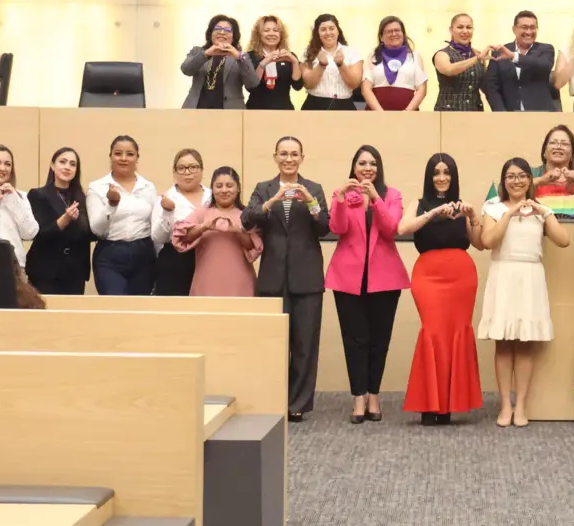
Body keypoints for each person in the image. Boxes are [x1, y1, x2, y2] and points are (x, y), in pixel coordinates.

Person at [242, 136, 330, 422]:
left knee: (305, 345)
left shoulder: (313, 188)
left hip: (307, 276)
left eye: (294, 154)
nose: (289, 159)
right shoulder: (263, 189)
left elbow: (326, 227)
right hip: (272, 277)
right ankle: (272, 399)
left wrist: (312, 203)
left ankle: (297, 404)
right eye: (283, 154)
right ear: (275, 157)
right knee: (274, 344)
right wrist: (273, 201)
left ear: (302, 157)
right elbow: (247, 218)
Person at [479, 157, 570, 428]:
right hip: (503, 275)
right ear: (503, 181)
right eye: (510, 176)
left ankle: (522, 406)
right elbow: (487, 241)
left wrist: (543, 212)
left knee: (526, 344)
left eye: (522, 176)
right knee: (504, 343)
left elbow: (564, 240)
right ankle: (505, 405)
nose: (516, 181)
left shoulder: (541, 209)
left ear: (530, 180)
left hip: (530, 277)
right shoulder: (493, 207)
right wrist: (510, 213)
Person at [400, 153, 485, 425]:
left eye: (446, 172)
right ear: (429, 176)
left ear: (453, 176)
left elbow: (479, 243)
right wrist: (435, 212)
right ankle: (428, 403)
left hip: (461, 275)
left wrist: (472, 217)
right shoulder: (420, 203)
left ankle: (447, 404)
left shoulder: (462, 205)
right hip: (428, 275)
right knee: (433, 333)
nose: (441, 177)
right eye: (436, 172)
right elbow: (403, 227)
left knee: (455, 335)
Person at [327, 145, 410, 424]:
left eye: (372, 163)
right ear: (353, 167)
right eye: (361, 163)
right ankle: (358, 397)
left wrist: (375, 198)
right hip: (347, 277)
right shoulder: (341, 195)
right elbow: (337, 229)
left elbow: (391, 229)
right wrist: (339, 199)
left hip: (385, 277)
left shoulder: (392, 195)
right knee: (355, 340)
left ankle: (374, 394)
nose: (367, 168)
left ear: (379, 168)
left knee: (379, 340)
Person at [172, 167, 261, 297]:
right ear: (212, 189)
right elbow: (182, 238)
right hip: (206, 280)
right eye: (219, 186)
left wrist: (237, 231)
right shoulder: (201, 213)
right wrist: (204, 227)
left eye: (229, 186)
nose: (224, 190)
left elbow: (254, 247)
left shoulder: (247, 216)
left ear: (238, 188)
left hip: (240, 281)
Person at [86, 135, 157, 295]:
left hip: (143, 255)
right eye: (118, 153)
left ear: (137, 158)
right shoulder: (97, 187)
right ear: (110, 156)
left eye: (130, 154)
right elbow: (97, 230)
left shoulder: (148, 187)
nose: (124, 158)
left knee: (139, 310)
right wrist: (111, 205)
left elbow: (154, 226)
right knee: (114, 307)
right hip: (110, 255)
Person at [483, 124, 574, 219]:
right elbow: (502, 192)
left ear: (572, 153)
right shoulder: (531, 173)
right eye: (553, 143)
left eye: (564, 144)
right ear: (544, 151)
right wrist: (541, 180)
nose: (558, 147)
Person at [26, 147, 95, 295]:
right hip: (46, 270)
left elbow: (90, 233)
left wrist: (77, 221)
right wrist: (65, 219)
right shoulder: (38, 195)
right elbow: (39, 232)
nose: (67, 167)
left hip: (75, 271)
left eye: (72, 164)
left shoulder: (82, 198)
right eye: (62, 162)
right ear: (53, 166)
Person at [150, 149, 210, 296]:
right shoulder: (165, 199)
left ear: (202, 170)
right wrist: (167, 213)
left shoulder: (213, 196)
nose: (187, 172)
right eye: (181, 168)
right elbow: (157, 238)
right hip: (176, 262)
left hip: (210, 258)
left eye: (193, 167)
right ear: (174, 172)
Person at [483, 10, 559, 112]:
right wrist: (500, 112)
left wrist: (514, 56)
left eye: (532, 28)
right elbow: (491, 87)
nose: (528, 32)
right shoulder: (499, 52)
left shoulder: (546, 49)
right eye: (524, 27)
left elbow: (544, 65)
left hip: (541, 114)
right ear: (514, 29)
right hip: (509, 115)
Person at [180, 15, 259, 109]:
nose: (222, 32)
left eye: (227, 30)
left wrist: (239, 57)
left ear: (234, 36)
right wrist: (206, 53)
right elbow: (186, 70)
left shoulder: (242, 56)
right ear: (210, 33)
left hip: (230, 112)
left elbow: (253, 83)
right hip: (197, 110)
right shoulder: (198, 51)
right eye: (217, 29)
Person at [363, 16, 427, 111]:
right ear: (381, 37)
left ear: (403, 34)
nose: (394, 34)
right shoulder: (373, 56)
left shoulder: (415, 56)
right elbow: (366, 89)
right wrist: (379, 112)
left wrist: (407, 112)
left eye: (397, 30)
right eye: (388, 31)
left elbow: (422, 89)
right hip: (376, 114)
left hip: (408, 115)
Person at [300, 13, 362, 111]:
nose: (328, 32)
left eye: (331, 28)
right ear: (318, 33)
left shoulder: (351, 52)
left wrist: (341, 65)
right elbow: (308, 84)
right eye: (323, 29)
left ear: (338, 31)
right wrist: (321, 65)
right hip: (314, 106)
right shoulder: (308, 53)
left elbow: (354, 84)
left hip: (345, 106)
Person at [432, 13, 488, 112]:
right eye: (460, 27)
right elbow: (449, 70)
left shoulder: (478, 54)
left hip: (475, 111)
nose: (465, 31)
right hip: (448, 112)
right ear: (451, 30)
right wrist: (477, 58)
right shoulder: (442, 54)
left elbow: (485, 86)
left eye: (469, 27)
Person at [246, 15, 304, 110]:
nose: (271, 34)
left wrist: (295, 62)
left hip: (284, 110)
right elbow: (251, 87)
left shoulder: (289, 55)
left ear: (281, 35)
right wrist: (265, 62)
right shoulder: (250, 56)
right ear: (259, 34)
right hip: (255, 111)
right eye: (266, 30)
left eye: (275, 30)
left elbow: (297, 86)